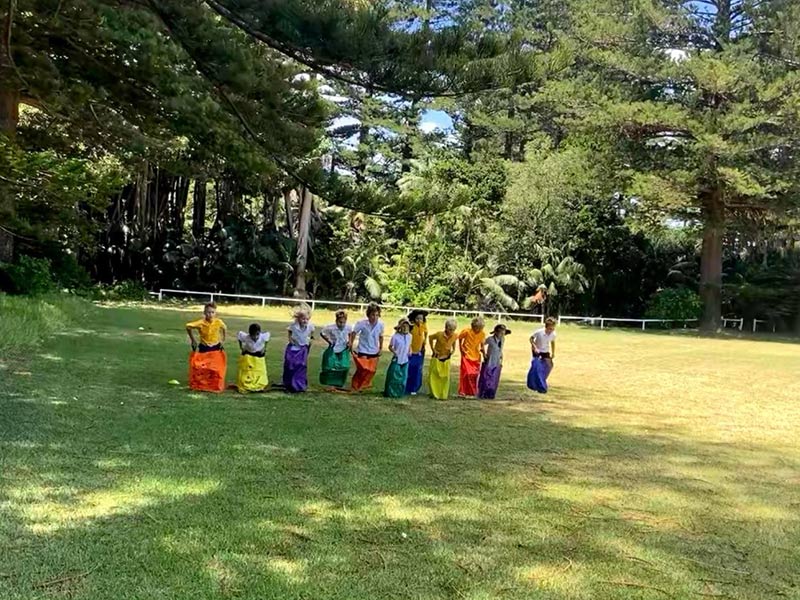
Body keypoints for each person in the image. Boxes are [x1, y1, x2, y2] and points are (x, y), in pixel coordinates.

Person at [185, 302, 227, 392]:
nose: (210, 314)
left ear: (215, 313)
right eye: (208, 312)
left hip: (215, 347)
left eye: (212, 312)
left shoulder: (218, 322)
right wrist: (193, 340)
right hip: (204, 347)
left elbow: (224, 328)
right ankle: (203, 383)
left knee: (215, 367)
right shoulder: (201, 323)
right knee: (202, 366)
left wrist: (223, 340)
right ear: (204, 313)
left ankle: (214, 383)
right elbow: (188, 326)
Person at [349, 303, 385, 392]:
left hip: (374, 350)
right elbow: (353, 333)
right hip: (363, 349)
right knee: (363, 369)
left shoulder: (381, 324)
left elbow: (381, 336)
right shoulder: (362, 323)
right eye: (373, 315)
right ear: (368, 315)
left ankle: (365, 385)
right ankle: (356, 384)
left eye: (377, 315)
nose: (375, 317)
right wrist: (350, 343)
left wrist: (380, 348)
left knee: (371, 370)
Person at [282, 306, 314, 393]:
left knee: (301, 365)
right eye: (303, 319)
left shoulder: (310, 326)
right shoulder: (294, 326)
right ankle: (289, 383)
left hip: (303, 348)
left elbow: (312, 334)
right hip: (293, 348)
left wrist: (310, 340)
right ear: (298, 318)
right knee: (290, 365)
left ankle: (299, 384)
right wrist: (290, 339)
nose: (305, 321)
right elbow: (289, 331)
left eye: (307, 319)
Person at [319, 310, 353, 389]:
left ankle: (340, 383)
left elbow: (350, 334)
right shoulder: (331, 327)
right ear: (336, 320)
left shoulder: (348, 327)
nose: (341, 324)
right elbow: (322, 332)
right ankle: (331, 383)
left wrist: (350, 342)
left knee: (344, 366)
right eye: (340, 322)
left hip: (343, 349)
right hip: (334, 348)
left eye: (343, 322)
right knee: (331, 366)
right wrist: (328, 340)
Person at [428, 318, 458, 400]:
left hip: (446, 357)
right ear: (446, 327)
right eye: (450, 329)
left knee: (445, 377)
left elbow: (454, 341)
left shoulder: (455, 335)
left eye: (453, 330)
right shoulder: (439, 334)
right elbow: (430, 338)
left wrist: (454, 349)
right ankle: (434, 393)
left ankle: (443, 394)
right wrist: (433, 349)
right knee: (434, 375)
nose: (451, 331)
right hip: (437, 356)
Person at [478, 324, 510, 399]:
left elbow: (500, 348)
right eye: (500, 333)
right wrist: (484, 354)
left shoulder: (503, 339)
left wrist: (501, 355)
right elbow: (482, 343)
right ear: (496, 332)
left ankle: (491, 393)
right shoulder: (490, 339)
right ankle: (483, 393)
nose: (502, 335)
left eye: (503, 333)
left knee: (494, 378)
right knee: (487, 377)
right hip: (490, 360)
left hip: (497, 361)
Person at [236, 323, 270, 393]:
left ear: (259, 333)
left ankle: (259, 384)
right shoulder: (246, 337)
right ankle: (248, 383)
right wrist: (241, 347)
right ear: (250, 334)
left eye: (257, 335)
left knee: (259, 370)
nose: (255, 337)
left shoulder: (263, 337)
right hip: (249, 354)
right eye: (253, 335)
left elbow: (267, 338)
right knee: (248, 370)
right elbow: (239, 336)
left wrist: (264, 349)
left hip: (259, 355)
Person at [457, 317, 486, 397]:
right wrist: (461, 348)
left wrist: (484, 354)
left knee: (474, 375)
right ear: (473, 326)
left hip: (476, 357)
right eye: (478, 328)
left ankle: (471, 392)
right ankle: (462, 391)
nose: (479, 329)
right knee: (465, 374)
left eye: (481, 328)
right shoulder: (466, 331)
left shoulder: (482, 334)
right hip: (466, 355)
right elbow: (459, 338)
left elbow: (482, 345)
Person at [527, 317, 557, 393]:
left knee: (549, 365)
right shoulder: (539, 332)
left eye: (553, 328)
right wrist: (535, 347)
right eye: (550, 328)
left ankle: (541, 379)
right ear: (546, 327)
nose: (551, 330)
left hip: (545, 351)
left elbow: (553, 342)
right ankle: (533, 384)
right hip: (537, 350)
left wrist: (553, 353)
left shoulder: (553, 334)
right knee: (536, 366)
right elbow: (531, 339)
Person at [384, 318, 412, 398]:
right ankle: (390, 393)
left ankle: (399, 393)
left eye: (407, 326)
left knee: (403, 377)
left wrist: (410, 350)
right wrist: (394, 352)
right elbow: (390, 346)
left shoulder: (410, 336)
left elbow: (409, 345)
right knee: (394, 377)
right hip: (397, 359)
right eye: (403, 326)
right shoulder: (395, 337)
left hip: (405, 359)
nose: (405, 328)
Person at [405, 310, 428, 396]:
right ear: (414, 319)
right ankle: (407, 387)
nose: (419, 320)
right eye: (417, 318)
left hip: (419, 352)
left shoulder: (423, 326)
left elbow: (426, 332)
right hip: (410, 352)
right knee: (409, 370)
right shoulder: (411, 326)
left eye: (421, 319)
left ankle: (414, 388)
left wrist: (424, 341)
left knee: (417, 371)